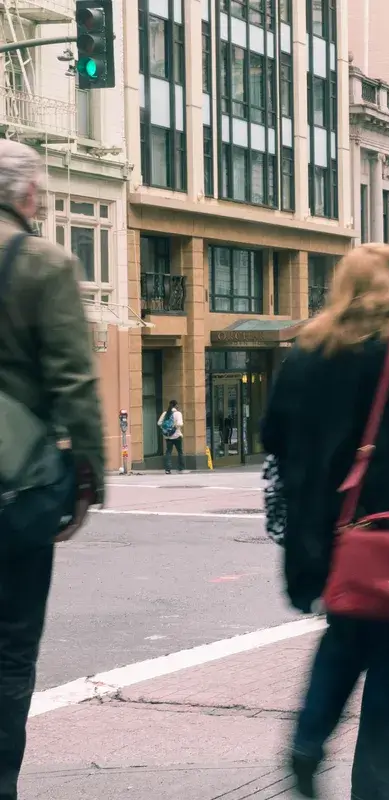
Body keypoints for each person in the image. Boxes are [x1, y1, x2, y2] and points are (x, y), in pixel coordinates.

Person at [263, 243, 389, 800]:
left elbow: (273, 438)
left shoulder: (307, 350)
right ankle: (377, 786)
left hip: (332, 533)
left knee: (344, 638)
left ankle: (308, 742)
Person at [0, 140, 104, 800]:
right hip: (17, 488)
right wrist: (88, 480)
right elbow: (74, 381)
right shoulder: (43, 263)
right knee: (11, 645)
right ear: (27, 195)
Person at [157, 400, 185, 473]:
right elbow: (180, 423)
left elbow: (159, 423)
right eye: (177, 405)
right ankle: (180, 468)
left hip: (168, 436)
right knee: (180, 451)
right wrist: (174, 426)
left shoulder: (165, 413)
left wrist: (166, 429)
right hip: (177, 435)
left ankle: (167, 469)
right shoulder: (178, 413)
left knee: (168, 452)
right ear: (176, 406)